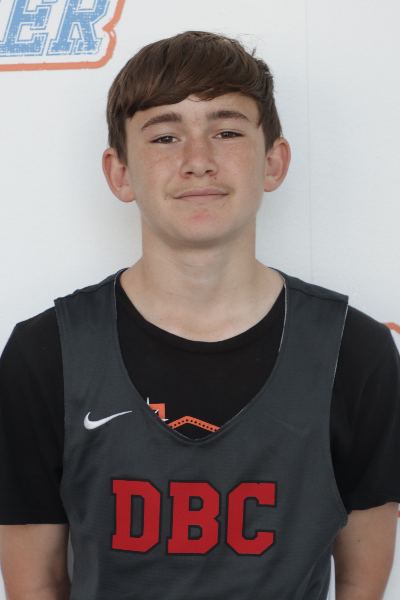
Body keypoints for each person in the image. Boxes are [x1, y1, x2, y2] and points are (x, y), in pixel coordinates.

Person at [0, 30, 399, 600]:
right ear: (120, 172)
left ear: (273, 162)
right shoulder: (46, 355)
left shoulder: (353, 354)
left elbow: (363, 584)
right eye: (165, 136)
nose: (198, 161)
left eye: (227, 131)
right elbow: (35, 585)